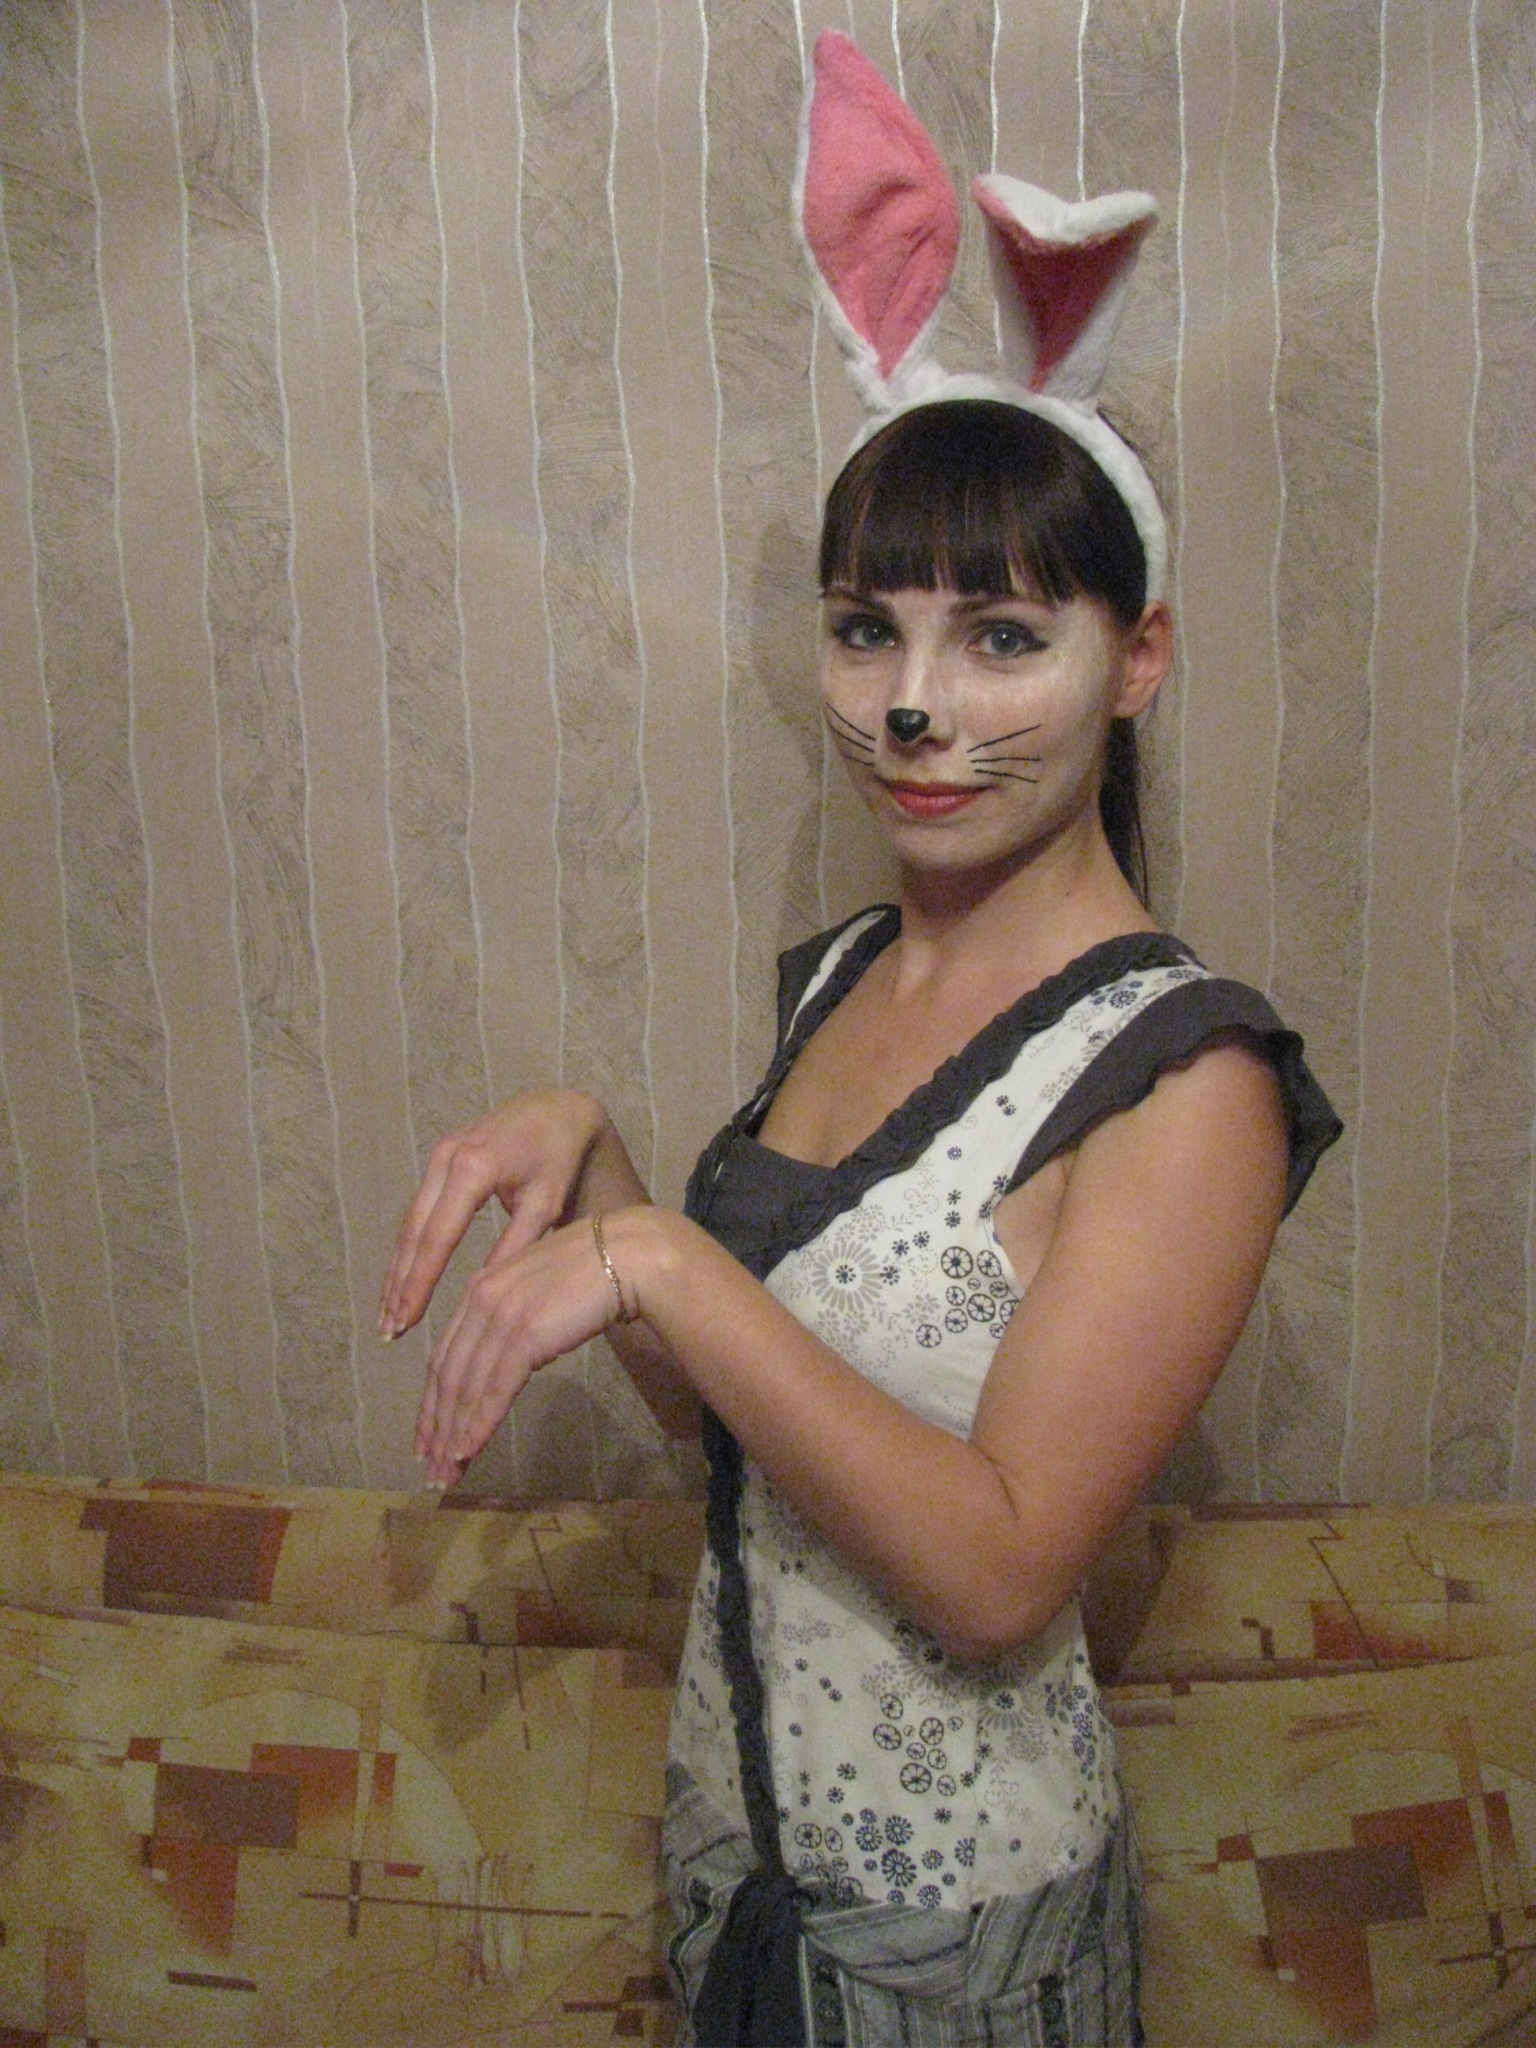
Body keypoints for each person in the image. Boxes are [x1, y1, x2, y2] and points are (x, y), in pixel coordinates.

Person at [378, 37, 1339, 2047]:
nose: (912, 705)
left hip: (957, 1943)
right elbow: (747, 1429)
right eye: (862, 626)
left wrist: (659, 1257)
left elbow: (997, 1570)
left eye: (1002, 637)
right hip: (733, 1861)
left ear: (1136, 660)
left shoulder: (1188, 1076)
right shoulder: (837, 981)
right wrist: (602, 1172)